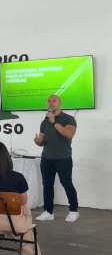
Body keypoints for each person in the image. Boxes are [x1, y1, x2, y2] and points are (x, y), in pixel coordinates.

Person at [34, 94, 79, 222]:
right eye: (49, 101)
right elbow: (42, 140)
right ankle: (48, 212)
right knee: (47, 184)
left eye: (54, 101)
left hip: (63, 158)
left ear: (60, 104)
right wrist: (38, 141)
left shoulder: (68, 119)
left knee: (66, 183)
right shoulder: (44, 121)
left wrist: (54, 122)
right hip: (46, 158)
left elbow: (69, 134)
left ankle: (74, 210)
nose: (51, 103)